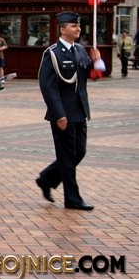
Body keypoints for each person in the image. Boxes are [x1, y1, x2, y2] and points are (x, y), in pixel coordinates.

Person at [35, 11, 99, 211]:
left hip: (79, 109)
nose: (78, 28)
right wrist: (59, 113)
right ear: (63, 29)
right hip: (63, 112)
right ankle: (73, 198)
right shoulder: (53, 53)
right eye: (73, 26)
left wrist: (95, 62)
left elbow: (88, 77)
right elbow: (48, 86)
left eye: (78, 25)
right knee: (67, 156)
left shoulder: (79, 50)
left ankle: (46, 178)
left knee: (79, 151)